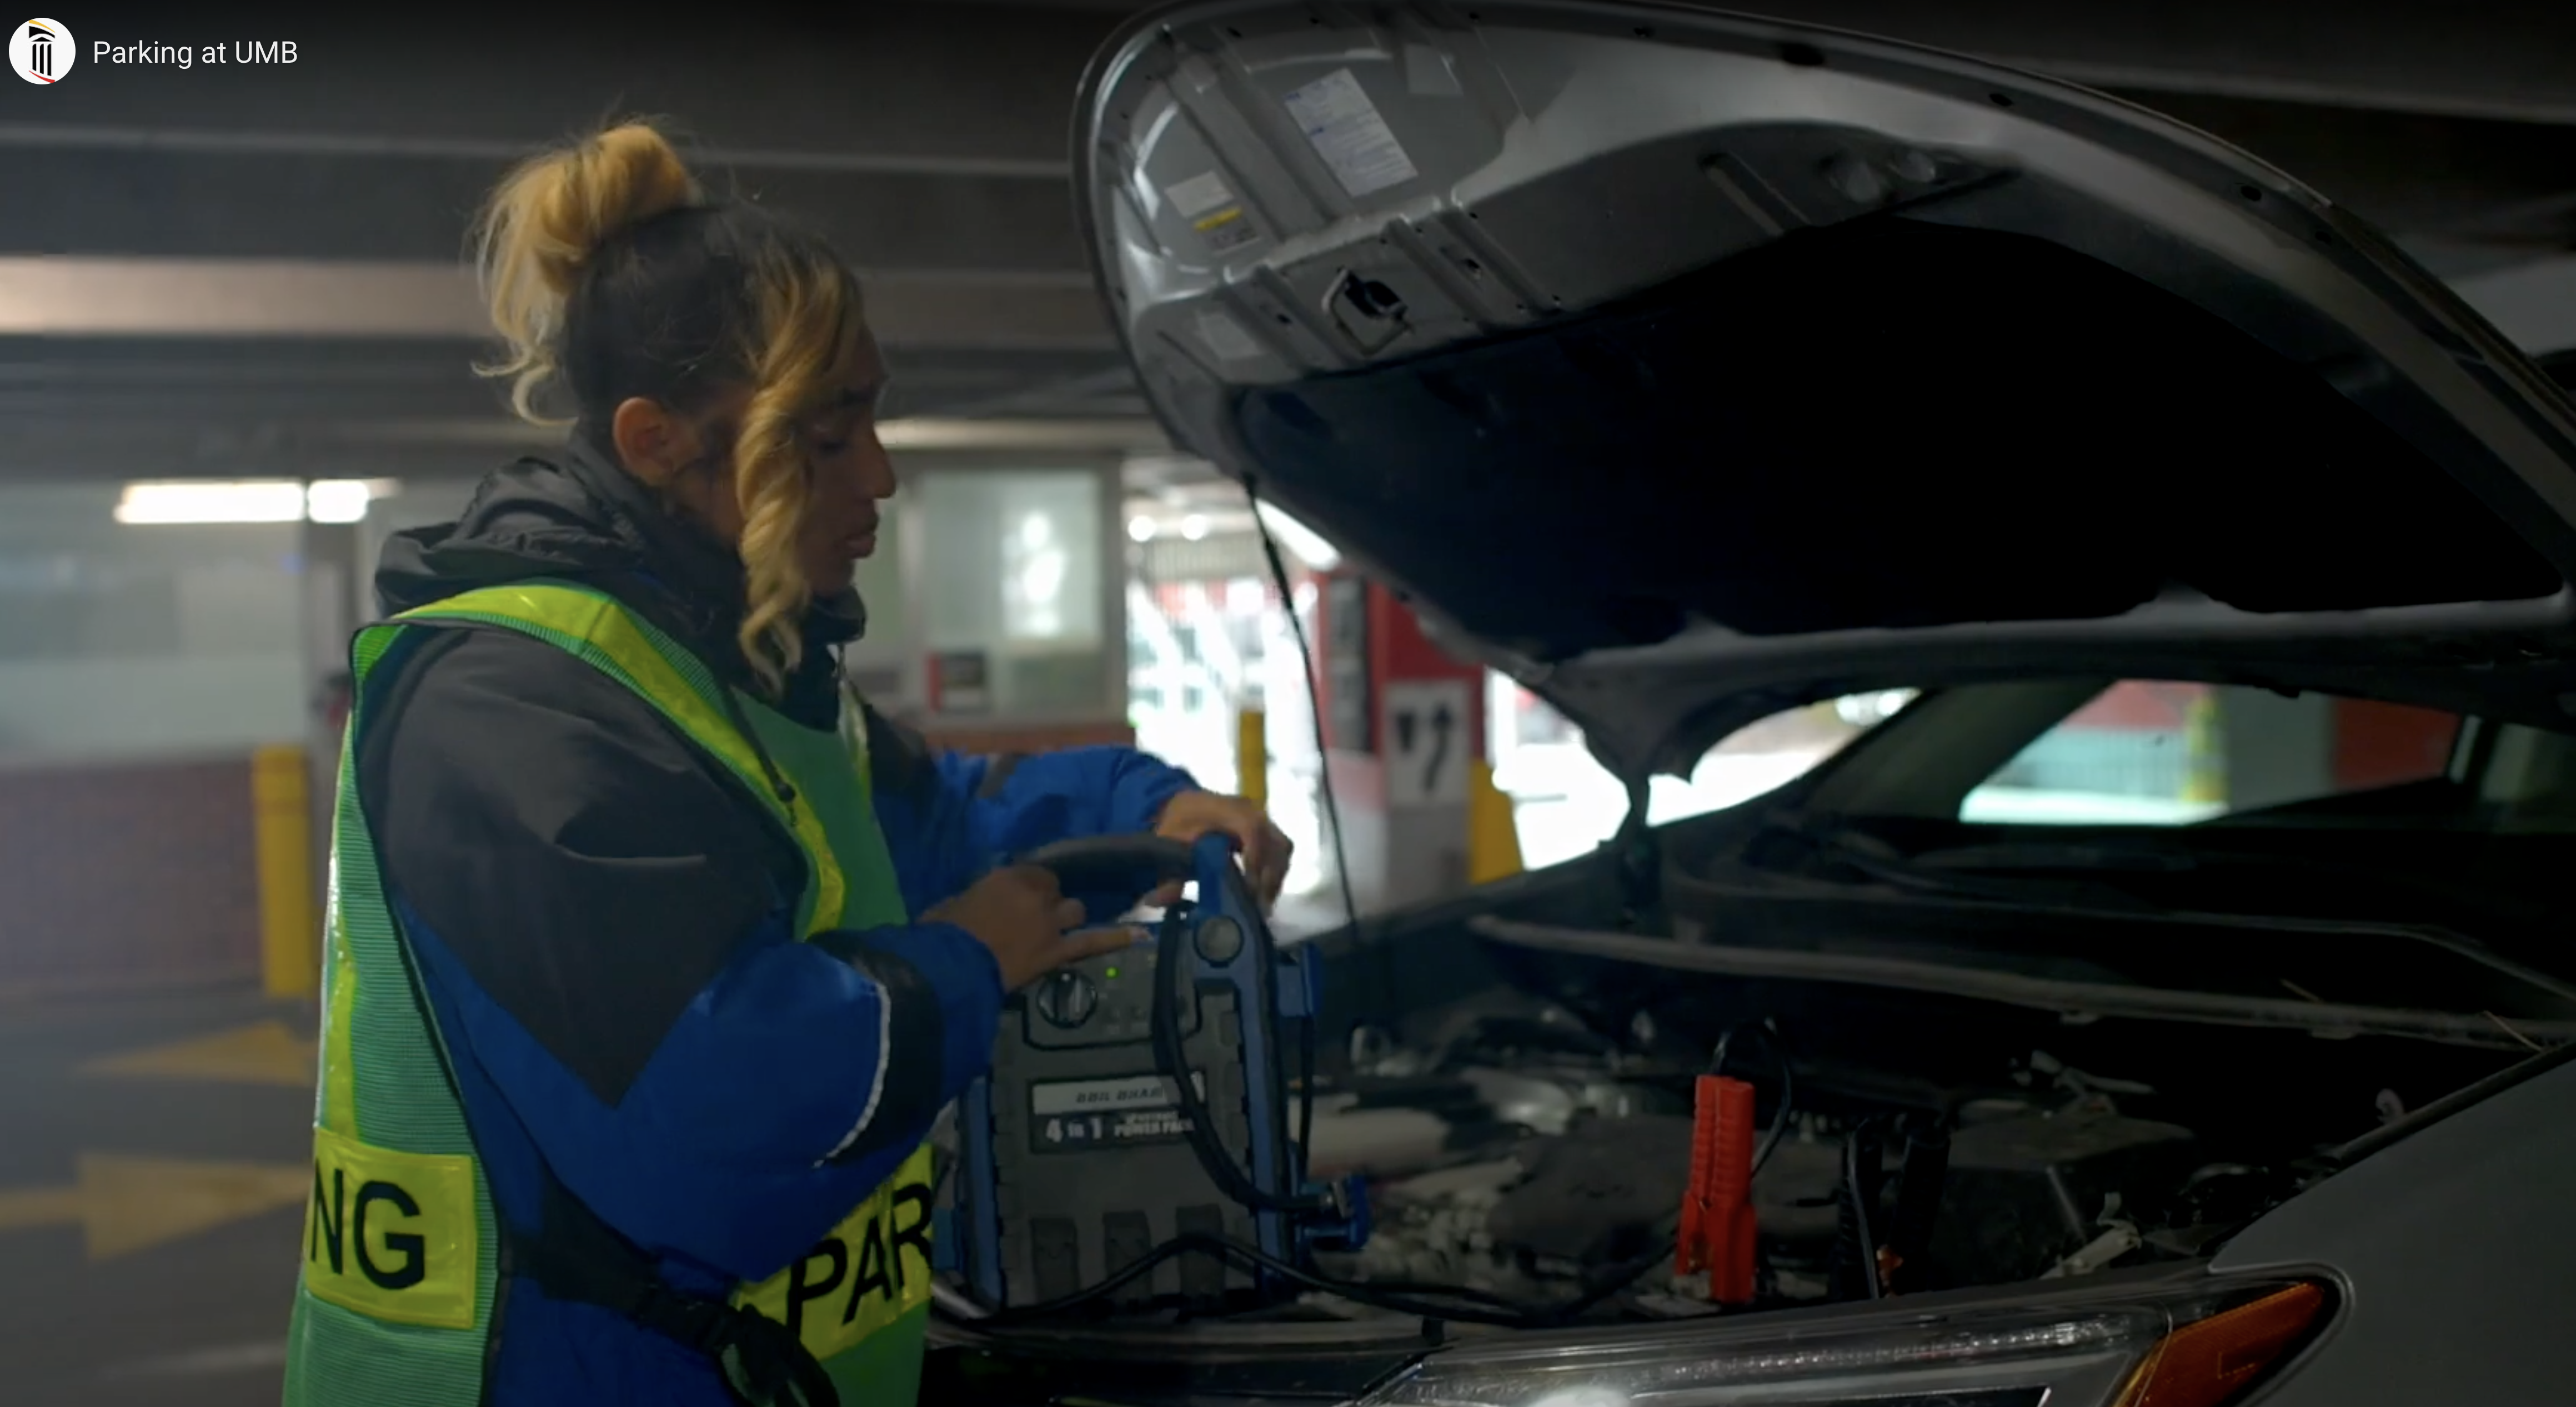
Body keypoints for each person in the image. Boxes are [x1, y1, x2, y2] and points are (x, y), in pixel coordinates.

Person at [280, 120, 1291, 1407]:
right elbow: (715, 1103)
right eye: (822, 436)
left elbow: (930, 832)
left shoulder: (730, 671)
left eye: (870, 418)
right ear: (656, 441)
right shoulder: (513, 708)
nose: (878, 476)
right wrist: (970, 960)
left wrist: (1147, 805)